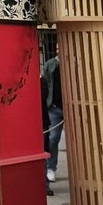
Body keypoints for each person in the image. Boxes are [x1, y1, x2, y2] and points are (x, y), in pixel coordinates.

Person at [43, 54, 63, 185]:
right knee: (53, 138)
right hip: (54, 107)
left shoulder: (76, 63)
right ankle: (51, 167)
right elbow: (45, 83)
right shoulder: (50, 65)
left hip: (72, 106)